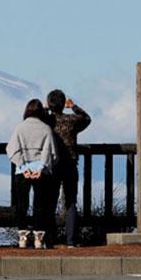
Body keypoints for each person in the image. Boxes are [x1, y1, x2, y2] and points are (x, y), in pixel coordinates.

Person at [6, 98, 59, 249]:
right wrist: (41, 167)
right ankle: (38, 237)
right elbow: (51, 152)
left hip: (22, 171)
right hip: (41, 172)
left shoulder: (20, 128)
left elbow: (12, 150)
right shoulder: (46, 129)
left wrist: (24, 166)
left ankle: (22, 236)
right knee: (40, 205)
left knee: (21, 204)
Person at [46, 89, 92, 247]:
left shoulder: (47, 120)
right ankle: (71, 240)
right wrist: (73, 106)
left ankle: (49, 239)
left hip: (53, 164)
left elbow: (34, 116)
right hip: (70, 164)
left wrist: (47, 108)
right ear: (63, 103)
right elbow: (86, 118)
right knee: (70, 203)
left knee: (50, 202)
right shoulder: (71, 121)